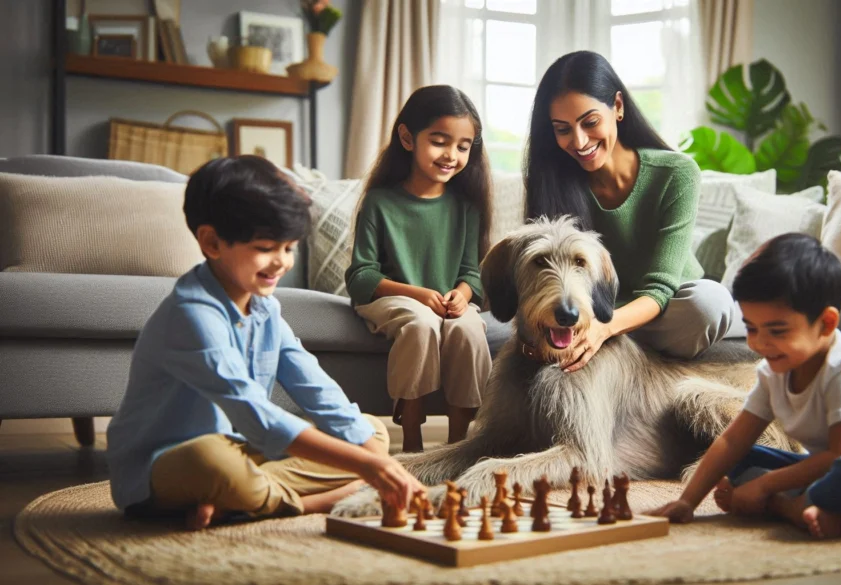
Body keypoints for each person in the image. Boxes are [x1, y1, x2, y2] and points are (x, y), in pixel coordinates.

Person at [106, 156, 424, 530]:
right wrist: (369, 468)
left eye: (289, 248)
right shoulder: (191, 316)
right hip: (167, 466)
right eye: (266, 247)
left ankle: (235, 502)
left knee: (369, 430)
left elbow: (314, 386)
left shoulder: (265, 308)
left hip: (243, 450)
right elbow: (255, 414)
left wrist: (369, 453)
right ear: (211, 242)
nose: (281, 262)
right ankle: (309, 502)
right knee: (211, 460)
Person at [647, 233, 841, 538]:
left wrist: (763, 485)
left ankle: (792, 507)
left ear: (827, 324)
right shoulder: (773, 371)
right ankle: (815, 508)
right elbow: (732, 441)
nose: (760, 343)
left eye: (777, 331)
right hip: (832, 472)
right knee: (743, 459)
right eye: (751, 328)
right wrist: (687, 502)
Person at [524, 50, 734, 373]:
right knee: (496, 335)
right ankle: (612, 347)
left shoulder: (677, 174)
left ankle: (609, 344)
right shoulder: (551, 181)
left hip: (667, 309)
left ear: (617, 107)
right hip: (588, 315)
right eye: (562, 129)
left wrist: (605, 328)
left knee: (709, 305)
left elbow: (660, 288)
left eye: (590, 122)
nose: (579, 141)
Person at [345, 85, 494, 453]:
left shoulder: (466, 206)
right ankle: (411, 436)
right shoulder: (380, 202)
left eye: (463, 146)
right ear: (408, 138)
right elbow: (361, 276)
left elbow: (471, 272)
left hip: (443, 301)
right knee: (421, 322)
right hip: (394, 300)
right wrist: (419, 295)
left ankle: (458, 441)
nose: (452, 155)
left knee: (469, 328)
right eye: (440, 141)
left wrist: (462, 295)